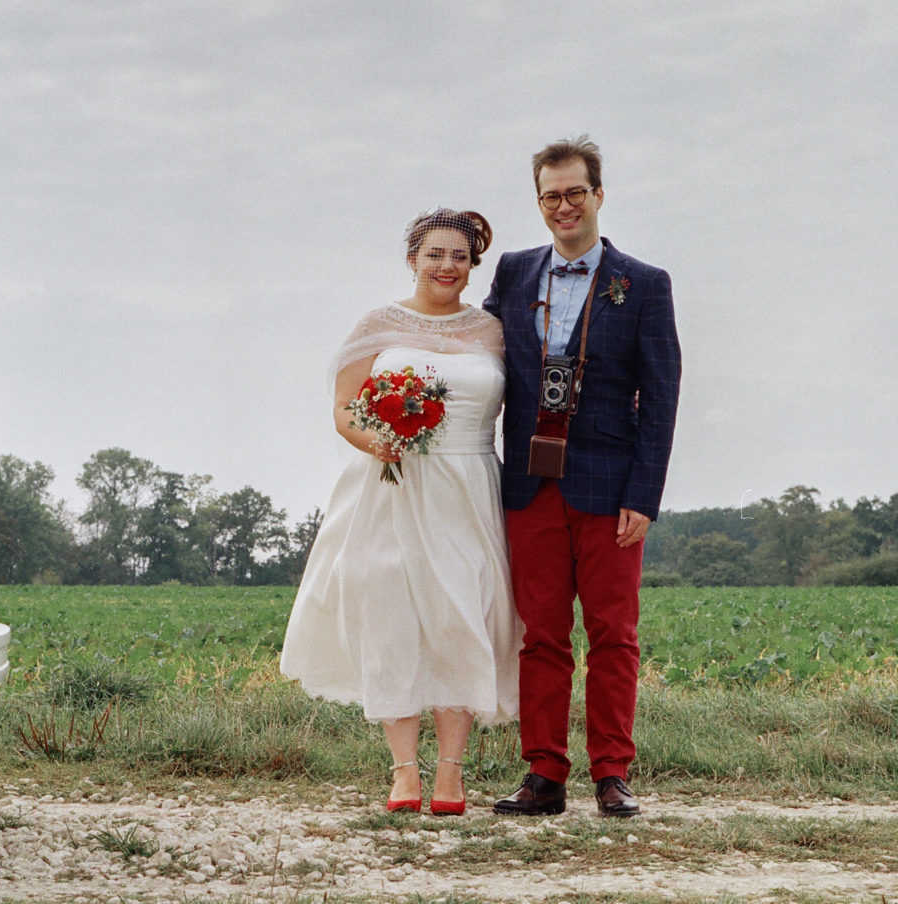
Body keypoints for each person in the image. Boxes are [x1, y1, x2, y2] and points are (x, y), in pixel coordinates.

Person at [280, 209, 519, 814]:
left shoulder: (492, 331)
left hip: (468, 486)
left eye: (460, 257)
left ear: (473, 266)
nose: (447, 266)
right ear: (412, 258)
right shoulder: (379, 324)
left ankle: (451, 776)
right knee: (392, 615)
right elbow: (344, 408)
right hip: (390, 484)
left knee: (463, 613)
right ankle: (404, 773)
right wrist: (378, 441)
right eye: (435, 254)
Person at [483, 137, 680, 818]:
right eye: (549, 195)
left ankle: (612, 774)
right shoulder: (511, 274)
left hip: (610, 489)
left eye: (574, 192)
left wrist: (644, 496)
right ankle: (543, 773)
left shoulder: (644, 283)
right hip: (530, 487)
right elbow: (474, 355)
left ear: (599, 194)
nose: (562, 205)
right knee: (539, 634)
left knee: (613, 634)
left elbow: (660, 399)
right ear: (538, 202)